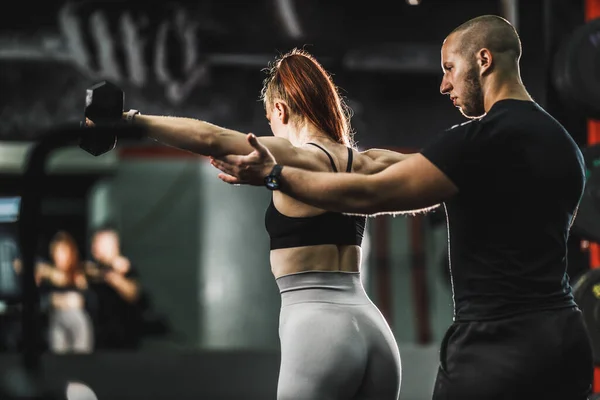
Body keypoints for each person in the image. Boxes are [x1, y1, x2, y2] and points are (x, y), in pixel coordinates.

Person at [210, 15, 594, 400]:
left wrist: (275, 175)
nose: (445, 85)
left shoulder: (474, 141)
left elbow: (369, 194)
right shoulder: (565, 147)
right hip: (565, 338)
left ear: (483, 60)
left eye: (449, 68)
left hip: (496, 348)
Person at [86, 49, 404, 399]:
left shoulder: (293, 156)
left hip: (320, 329)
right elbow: (442, 165)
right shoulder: (369, 162)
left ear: (279, 111)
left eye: (271, 121)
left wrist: (129, 119)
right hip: (374, 329)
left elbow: (212, 139)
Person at [85, 225, 143, 349]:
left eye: (101, 244)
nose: (96, 248)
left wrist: (116, 277)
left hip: (124, 338)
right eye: (95, 243)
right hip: (97, 338)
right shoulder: (92, 269)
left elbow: (133, 294)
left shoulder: (127, 270)